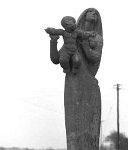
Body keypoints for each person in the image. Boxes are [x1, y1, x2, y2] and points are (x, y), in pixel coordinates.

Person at [46, 8, 103, 150]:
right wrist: (53, 42)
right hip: (73, 83)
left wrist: (83, 43)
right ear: (82, 17)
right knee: (73, 129)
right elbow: (56, 59)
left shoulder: (95, 37)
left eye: (96, 13)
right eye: (90, 12)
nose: (93, 14)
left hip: (89, 84)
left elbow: (94, 57)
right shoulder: (70, 35)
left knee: (90, 130)